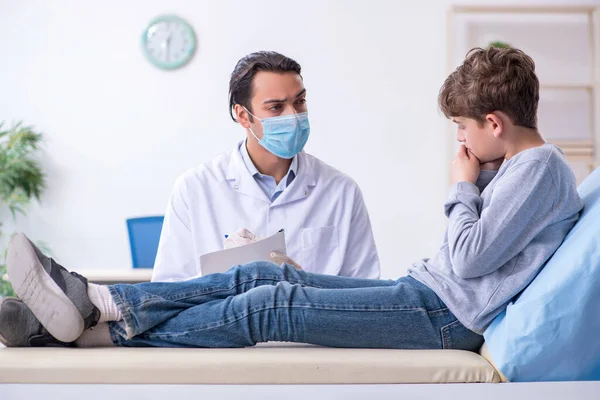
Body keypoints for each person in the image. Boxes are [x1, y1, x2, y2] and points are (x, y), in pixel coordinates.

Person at [0, 46, 583, 350]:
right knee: (252, 277)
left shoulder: (538, 167)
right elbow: (479, 252)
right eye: (277, 107)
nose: (460, 140)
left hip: (442, 316)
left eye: (461, 128)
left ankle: (89, 316)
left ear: (494, 122)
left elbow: (469, 258)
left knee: (266, 303)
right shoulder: (521, 167)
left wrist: (461, 184)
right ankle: (86, 302)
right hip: (427, 299)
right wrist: (472, 179)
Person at [151, 50, 380, 282]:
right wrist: (225, 275)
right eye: (276, 107)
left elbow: (366, 291)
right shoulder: (195, 188)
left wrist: (307, 285)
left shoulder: (341, 191)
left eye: (299, 102)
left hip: (313, 319)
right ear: (243, 116)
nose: (293, 116)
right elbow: (167, 292)